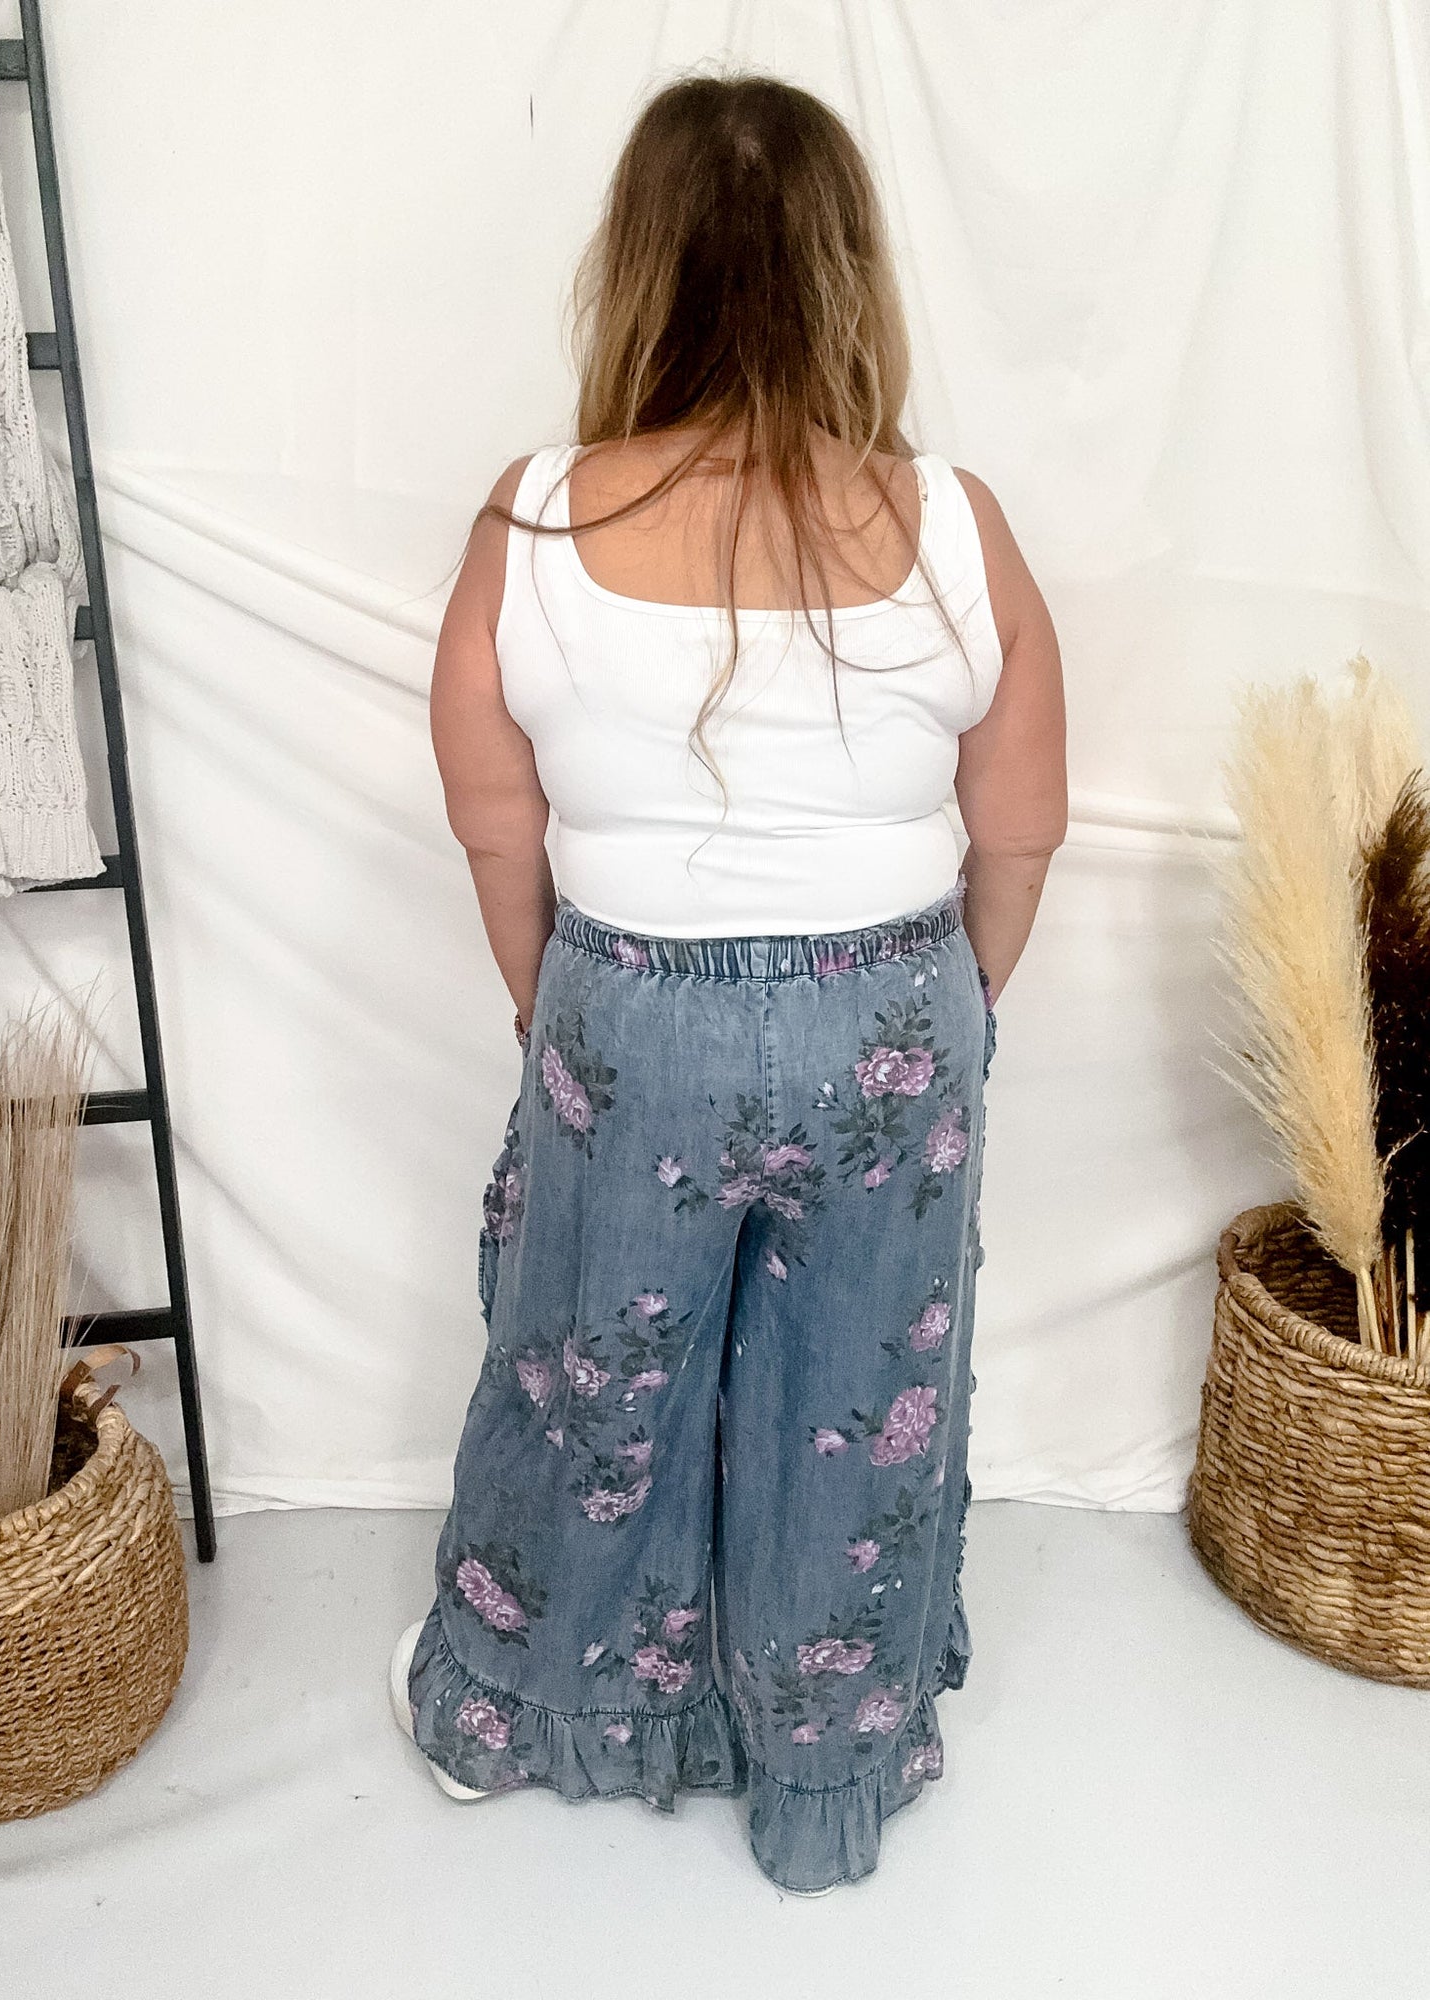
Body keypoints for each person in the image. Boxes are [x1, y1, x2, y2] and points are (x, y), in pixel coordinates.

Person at [388, 69, 1066, 1897]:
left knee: (587, 1381)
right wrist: (945, 1016)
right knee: (859, 1384)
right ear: (850, 272)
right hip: (894, 1014)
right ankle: (824, 1764)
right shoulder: (956, 523)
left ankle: (523, 1709)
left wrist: (556, 1021)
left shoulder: (533, 519)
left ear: (639, 267)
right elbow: (1021, 832)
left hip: (629, 1012)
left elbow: (495, 828)